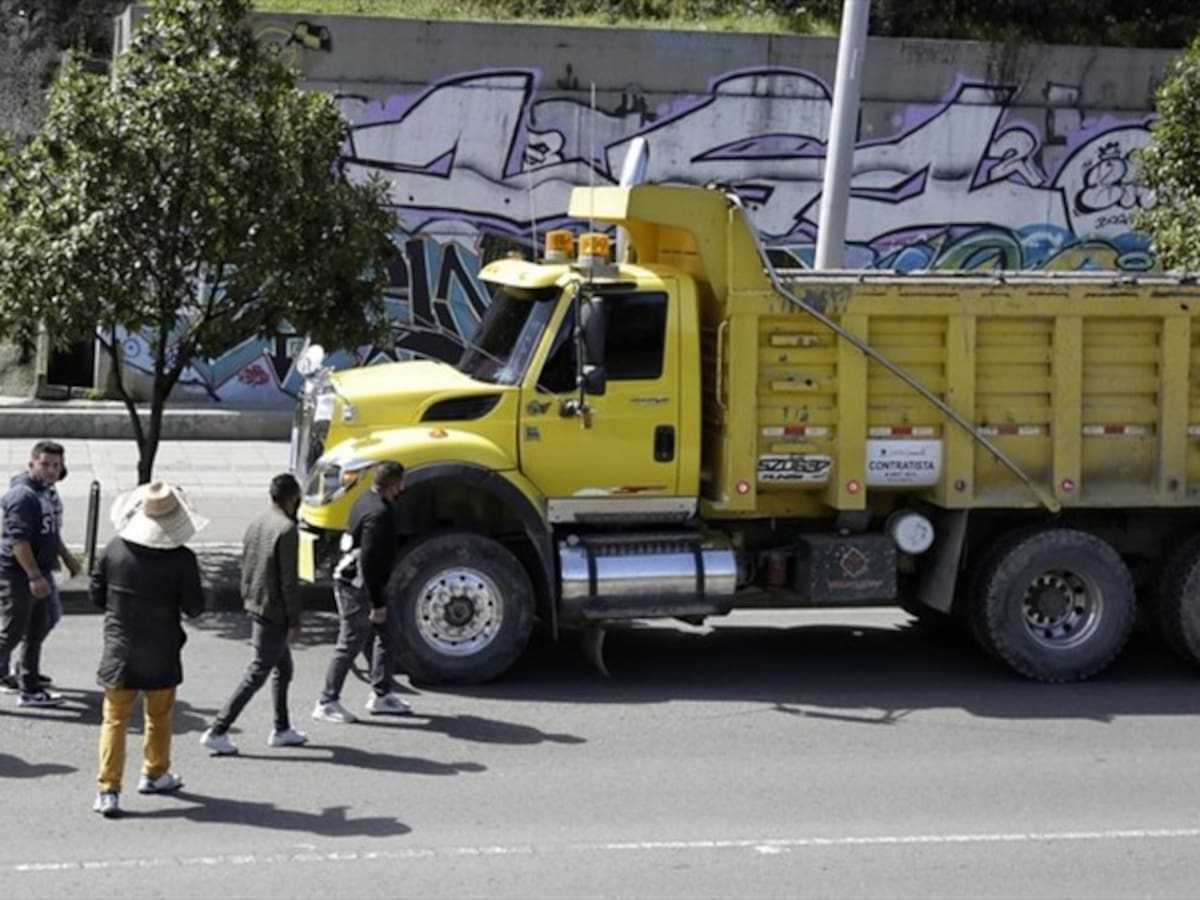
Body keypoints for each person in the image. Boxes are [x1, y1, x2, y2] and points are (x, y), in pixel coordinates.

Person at [90, 481, 206, 819]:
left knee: (114, 719)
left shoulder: (114, 550)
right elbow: (194, 607)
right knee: (158, 716)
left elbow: (97, 595)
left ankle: (108, 789)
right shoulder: (182, 560)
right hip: (162, 648)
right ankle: (155, 773)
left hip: (120, 649)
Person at [199, 473, 308, 755]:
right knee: (258, 672)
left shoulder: (258, 523)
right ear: (293, 498)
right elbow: (288, 582)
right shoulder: (287, 530)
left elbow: (246, 562)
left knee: (283, 669)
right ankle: (219, 728)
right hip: (273, 611)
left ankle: (282, 727)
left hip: (256, 602)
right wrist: (294, 620)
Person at [312, 460, 412, 724]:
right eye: (402, 482)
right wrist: (377, 604)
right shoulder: (379, 513)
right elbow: (368, 562)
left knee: (389, 634)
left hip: (367, 583)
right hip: (356, 586)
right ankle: (327, 701)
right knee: (351, 642)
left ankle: (381, 694)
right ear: (394, 484)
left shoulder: (366, 498)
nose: (404, 486)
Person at [0, 440, 69, 707]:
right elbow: (19, 540)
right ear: (32, 464)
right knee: (12, 632)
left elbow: (50, 531)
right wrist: (33, 576)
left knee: (38, 626)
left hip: (39, 570)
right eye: (45, 464)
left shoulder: (47, 491)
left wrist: (65, 558)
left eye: (56, 465)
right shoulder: (24, 496)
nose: (51, 470)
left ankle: (28, 686)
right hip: (18, 574)